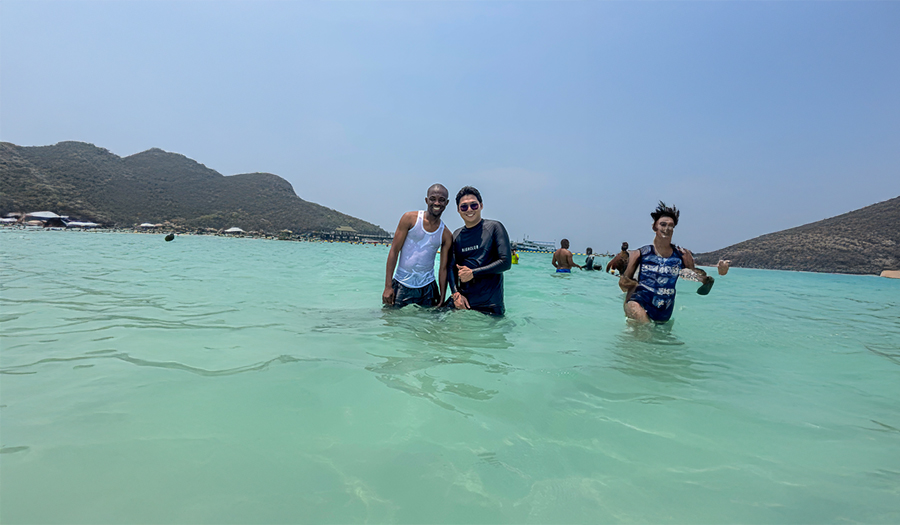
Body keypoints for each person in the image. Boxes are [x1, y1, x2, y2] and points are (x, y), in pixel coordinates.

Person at [619, 202, 714, 324]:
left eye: (671, 226)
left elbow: (698, 280)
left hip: (663, 311)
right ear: (654, 227)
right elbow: (622, 284)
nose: (667, 228)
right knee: (645, 326)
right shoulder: (639, 254)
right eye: (663, 224)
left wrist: (706, 280)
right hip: (638, 303)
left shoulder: (682, 256)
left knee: (657, 334)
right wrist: (634, 284)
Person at [383, 184, 454, 308]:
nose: (437, 203)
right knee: (391, 318)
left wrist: (442, 297)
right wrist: (388, 286)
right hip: (401, 283)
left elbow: (443, 269)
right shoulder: (409, 219)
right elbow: (394, 250)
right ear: (426, 200)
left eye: (441, 200)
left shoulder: (446, 234)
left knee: (426, 320)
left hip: (428, 288)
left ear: (447, 203)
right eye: (433, 199)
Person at [448, 186, 512, 315]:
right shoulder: (456, 235)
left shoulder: (494, 227)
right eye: (464, 207)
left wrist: (473, 273)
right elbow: (451, 267)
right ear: (458, 210)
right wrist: (456, 294)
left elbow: (505, 262)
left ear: (481, 206)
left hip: (490, 306)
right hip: (464, 303)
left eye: (474, 205)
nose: (469, 210)